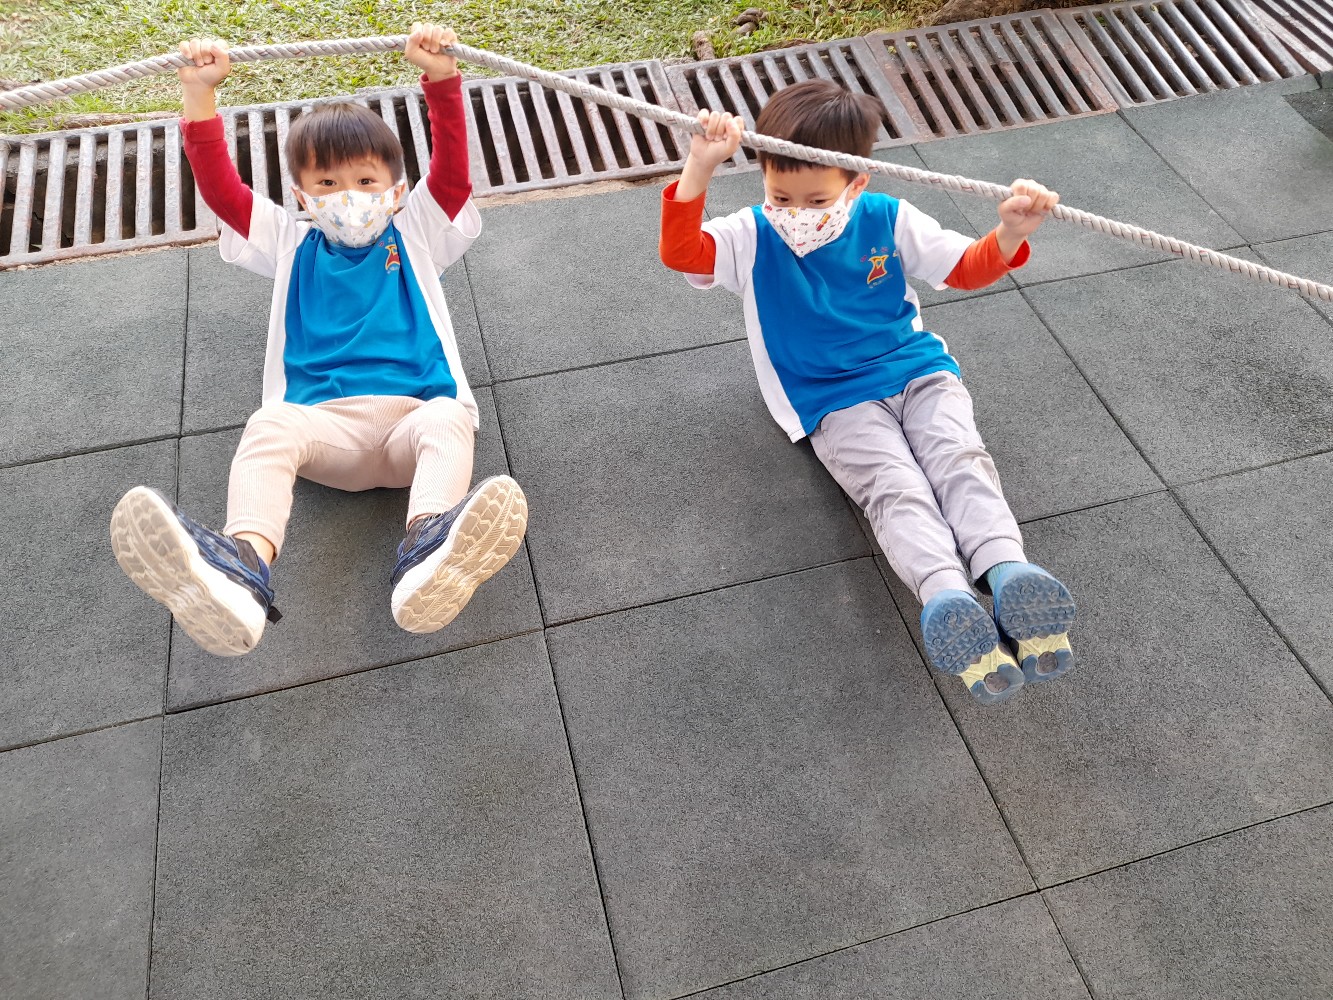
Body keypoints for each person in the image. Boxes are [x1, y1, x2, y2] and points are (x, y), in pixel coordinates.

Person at [110, 24, 527, 657]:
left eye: (365, 182)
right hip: (324, 433)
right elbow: (223, 192)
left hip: (410, 427)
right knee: (270, 425)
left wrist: (442, 79)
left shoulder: (414, 233)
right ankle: (242, 568)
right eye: (327, 186)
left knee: (448, 419)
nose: (347, 197)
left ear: (395, 190)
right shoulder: (289, 241)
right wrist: (199, 94)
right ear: (302, 196)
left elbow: (451, 176)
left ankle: (427, 545)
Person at [658, 81, 1075, 705]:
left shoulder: (887, 218)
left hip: (916, 370)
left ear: (855, 182)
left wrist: (1010, 232)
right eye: (780, 195)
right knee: (896, 485)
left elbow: (965, 268)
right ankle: (945, 592)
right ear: (764, 175)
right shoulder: (750, 234)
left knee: (958, 458)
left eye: (816, 198)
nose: (796, 212)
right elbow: (682, 253)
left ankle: (1004, 565)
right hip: (832, 398)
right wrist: (700, 165)